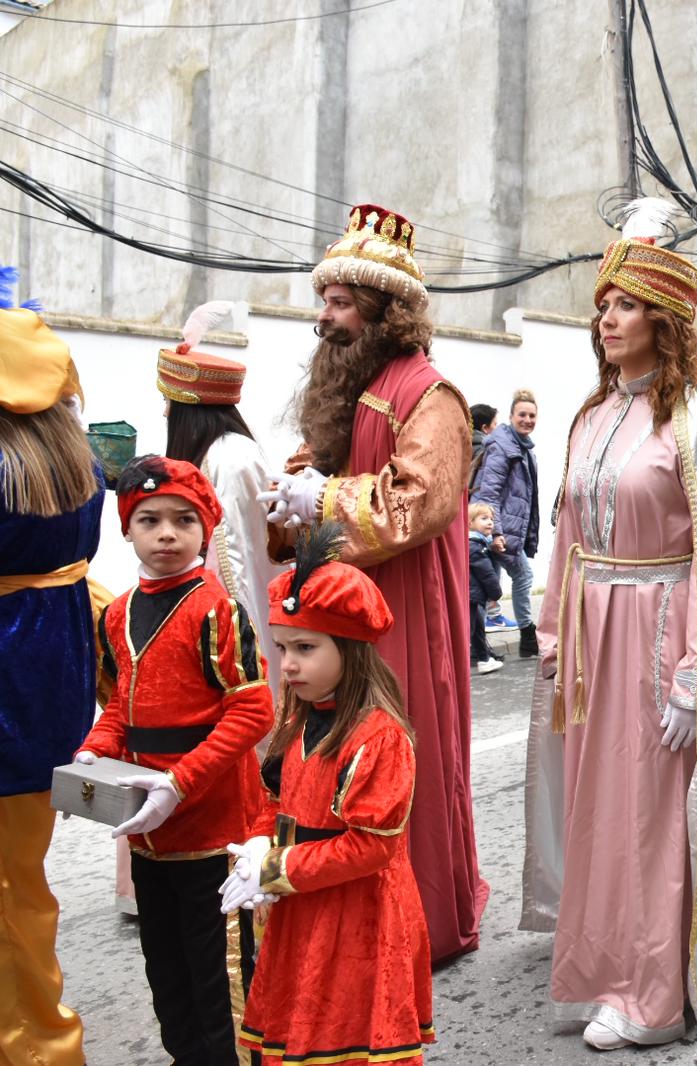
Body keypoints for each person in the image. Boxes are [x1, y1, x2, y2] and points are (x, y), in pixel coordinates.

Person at [525, 199, 697, 1049]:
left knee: (648, 816)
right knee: (595, 809)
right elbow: (567, 536)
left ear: (667, 320)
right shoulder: (591, 415)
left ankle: (649, 992)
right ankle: (597, 973)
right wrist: (553, 632)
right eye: (603, 305)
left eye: (627, 305)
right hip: (591, 638)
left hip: (658, 632)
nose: (607, 319)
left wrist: (693, 672)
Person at [258, 203, 486, 963]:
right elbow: (318, 471)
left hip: (403, 611)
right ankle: (341, 898)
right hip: (341, 614)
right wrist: (289, 500)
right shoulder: (347, 388)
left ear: (387, 313)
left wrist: (320, 501)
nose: (325, 318)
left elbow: (414, 502)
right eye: (325, 300)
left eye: (341, 303)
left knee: (398, 750)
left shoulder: (432, 394)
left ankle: (420, 918)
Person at [76, 454, 273, 1065]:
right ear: (127, 528)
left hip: (215, 834)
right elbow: (118, 707)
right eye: (150, 519)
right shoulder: (116, 612)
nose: (167, 533)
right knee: (167, 975)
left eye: (184, 520)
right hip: (149, 840)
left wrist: (179, 782)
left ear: (205, 529)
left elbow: (252, 711)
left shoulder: (218, 610)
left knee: (223, 983)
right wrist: (93, 754)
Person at [222, 525, 434, 1066]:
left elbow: (371, 848)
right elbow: (273, 801)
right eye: (283, 647)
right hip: (305, 901)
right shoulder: (298, 720)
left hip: (357, 914)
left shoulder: (378, 735)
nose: (287, 664)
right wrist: (255, 846)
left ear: (350, 649)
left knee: (345, 1041)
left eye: (306, 648)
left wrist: (274, 869)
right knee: (300, 1031)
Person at [0, 289, 101, 1066]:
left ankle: (36, 1045)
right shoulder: (75, 467)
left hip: (8, 691)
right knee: (22, 894)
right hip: (47, 696)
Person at [159, 301, 283, 692]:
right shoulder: (227, 449)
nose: (165, 413)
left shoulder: (226, 459)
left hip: (231, 623)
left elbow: (232, 564)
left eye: (170, 403)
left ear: (188, 412)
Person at [471, 388, 540, 658]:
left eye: (532, 415)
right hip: (499, 530)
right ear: (511, 416)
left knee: (483, 590)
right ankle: (527, 636)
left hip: (504, 529)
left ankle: (479, 648)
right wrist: (496, 533)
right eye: (522, 414)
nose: (527, 419)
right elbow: (489, 493)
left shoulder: (521, 447)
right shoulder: (503, 447)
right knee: (523, 576)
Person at [467, 502, 505, 674]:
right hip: (472, 596)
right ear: (470, 523)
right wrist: (495, 593)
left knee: (477, 631)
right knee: (471, 631)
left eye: (491, 519)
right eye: (484, 518)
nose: (490, 522)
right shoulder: (475, 546)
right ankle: (465, 662)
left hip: (473, 596)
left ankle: (483, 659)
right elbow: (487, 574)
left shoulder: (479, 543)